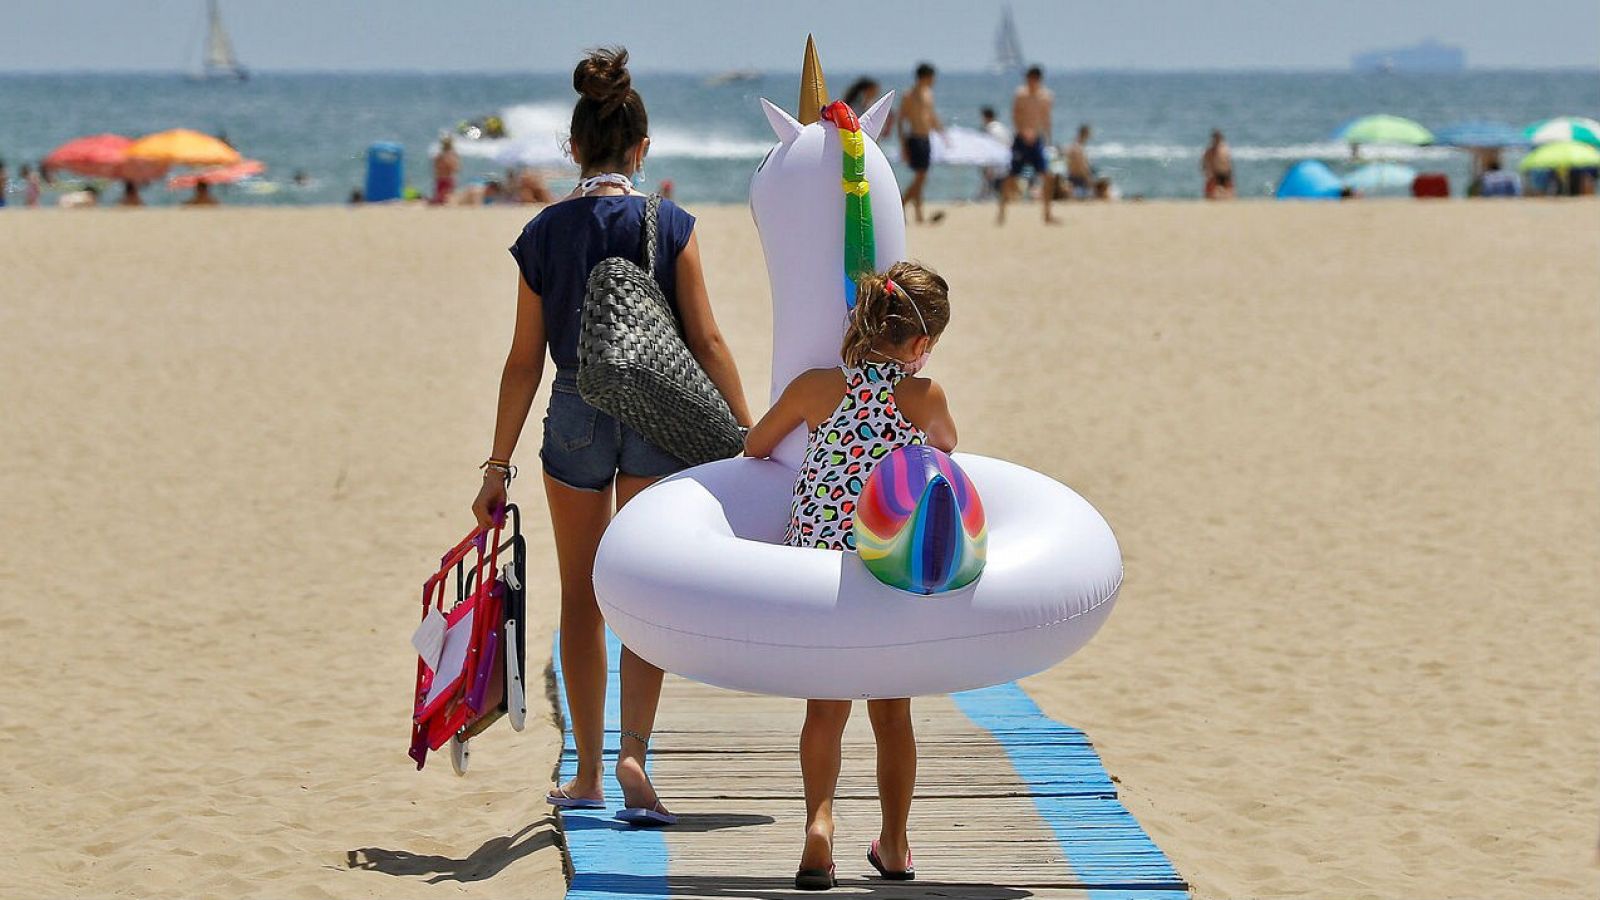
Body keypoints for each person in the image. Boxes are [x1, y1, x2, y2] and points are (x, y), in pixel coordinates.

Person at [473, 46, 752, 824]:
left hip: (574, 412)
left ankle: (590, 772)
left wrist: (497, 465)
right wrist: (746, 427)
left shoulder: (544, 232)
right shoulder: (671, 222)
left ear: (573, 147)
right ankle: (635, 752)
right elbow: (708, 341)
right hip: (660, 411)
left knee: (583, 595)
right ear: (642, 148)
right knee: (646, 594)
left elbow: (522, 362)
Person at [745, 261, 957, 890]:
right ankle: (893, 845)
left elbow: (757, 444)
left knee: (825, 709)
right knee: (893, 714)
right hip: (883, 566)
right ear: (920, 346)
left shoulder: (816, 386)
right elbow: (948, 445)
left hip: (816, 571)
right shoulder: (922, 397)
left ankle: (818, 824)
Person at [896, 63, 943, 224]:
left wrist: (942, 132)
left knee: (921, 178)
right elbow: (901, 120)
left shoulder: (928, 94)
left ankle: (918, 214)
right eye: (932, 77)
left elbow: (931, 116)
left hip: (926, 137)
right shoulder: (909, 95)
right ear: (925, 77)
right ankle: (900, 205)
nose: (934, 80)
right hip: (914, 138)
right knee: (920, 177)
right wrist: (903, 145)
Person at [977, 106, 1011, 200]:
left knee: (990, 183)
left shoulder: (989, 129)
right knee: (999, 186)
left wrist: (988, 165)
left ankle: (982, 199)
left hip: (994, 162)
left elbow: (989, 148)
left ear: (985, 117)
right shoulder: (1002, 128)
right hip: (1005, 162)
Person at [1201, 129, 1234, 200]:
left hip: (1224, 172)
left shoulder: (1223, 148)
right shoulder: (1213, 150)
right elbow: (1205, 161)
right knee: (1211, 192)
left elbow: (1228, 161)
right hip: (1216, 172)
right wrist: (1206, 170)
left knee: (1228, 191)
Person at [1064, 124, 1094, 199]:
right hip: (1079, 180)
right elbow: (1082, 167)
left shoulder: (1072, 146)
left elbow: (1069, 165)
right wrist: (1088, 180)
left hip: (1071, 178)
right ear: (1086, 134)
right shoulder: (1079, 148)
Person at [433, 136, 460, 205]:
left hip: (444, 179)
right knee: (444, 199)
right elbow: (456, 168)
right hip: (446, 179)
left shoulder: (440, 156)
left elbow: (436, 168)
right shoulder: (451, 155)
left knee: (444, 199)